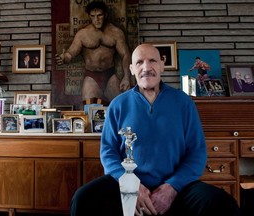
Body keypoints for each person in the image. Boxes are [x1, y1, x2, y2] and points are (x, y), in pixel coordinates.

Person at [70, 44, 241, 216]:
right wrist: (131, 186)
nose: (146, 67)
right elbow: (108, 152)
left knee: (221, 203)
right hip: (128, 185)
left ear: (162, 65)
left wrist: (172, 187)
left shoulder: (183, 102)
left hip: (176, 187)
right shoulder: (117, 105)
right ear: (131, 69)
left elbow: (197, 152)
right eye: (139, 62)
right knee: (83, 198)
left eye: (152, 61)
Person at [56, 1, 131, 102]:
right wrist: (64, 58)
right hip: (91, 76)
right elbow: (71, 53)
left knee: (119, 107)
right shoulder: (83, 34)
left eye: (100, 15)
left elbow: (125, 55)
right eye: (93, 16)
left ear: (105, 15)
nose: (97, 19)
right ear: (89, 16)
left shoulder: (116, 33)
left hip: (110, 75)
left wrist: (126, 77)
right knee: (89, 109)